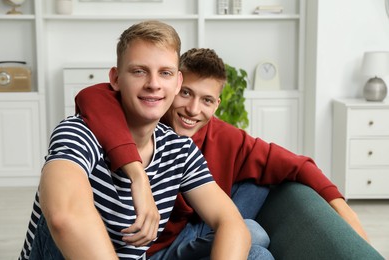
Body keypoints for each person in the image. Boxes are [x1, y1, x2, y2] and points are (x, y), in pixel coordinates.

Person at [75, 48, 370, 259]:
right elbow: (92, 96)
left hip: (193, 225)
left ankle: (241, 231)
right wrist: (137, 174)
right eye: (186, 93)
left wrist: (347, 216)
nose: (192, 110)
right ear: (174, 85)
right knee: (255, 243)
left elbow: (297, 165)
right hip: (152, 245)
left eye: (206, 100)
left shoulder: (222, 136)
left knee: (258, 197)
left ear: (216, 105)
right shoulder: (144, 117)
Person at [19, 21, 252, 260]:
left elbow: (230, 222)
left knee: (255, 253)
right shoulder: (78, 132)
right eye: (139, 71)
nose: (153, 84)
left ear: (178, 82)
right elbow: (63, 217)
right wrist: (138, 177)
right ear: (116, 78)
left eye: (165, 73)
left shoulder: (180, 150)